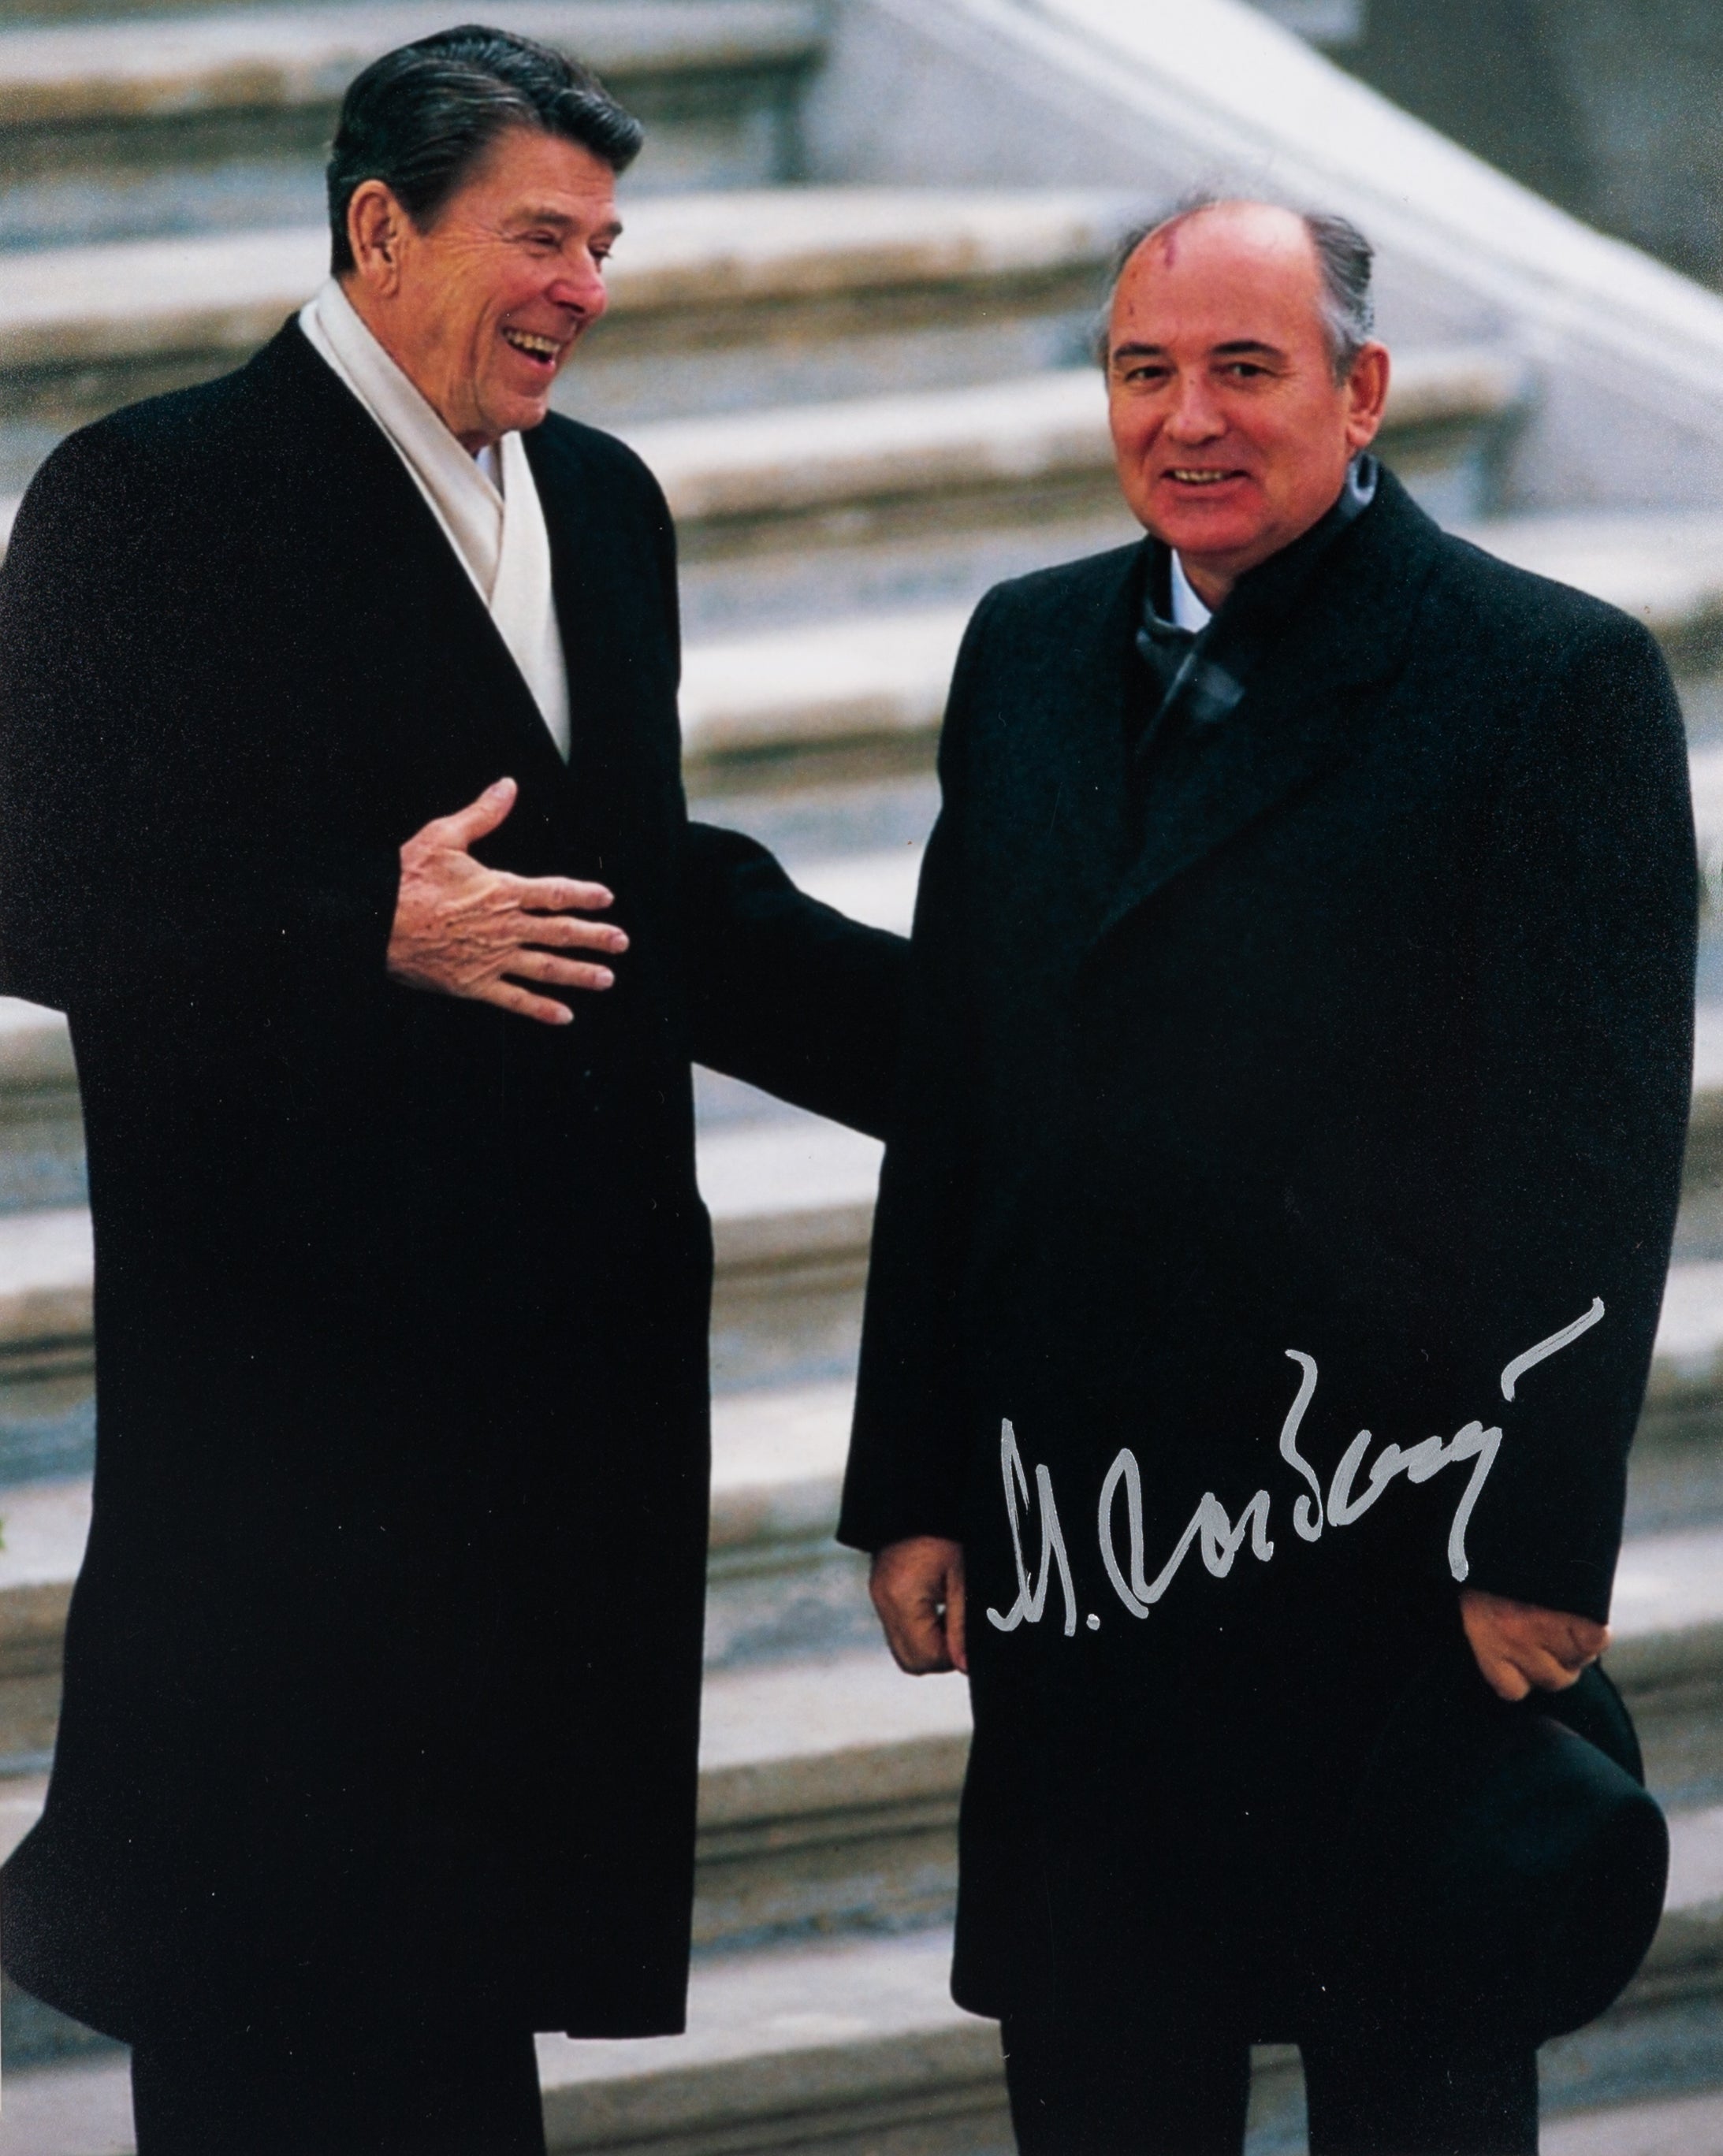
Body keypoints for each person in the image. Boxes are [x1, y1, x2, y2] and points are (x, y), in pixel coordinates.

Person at [0, 27, 904, 2153]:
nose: (583, 285)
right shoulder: (150, 492)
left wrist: (1006, 1055)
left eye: (603, 242)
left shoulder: (600, 499)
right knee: (274, 2020)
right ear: (376, 226)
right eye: (537, 236)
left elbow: (651, 890)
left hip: (552, 1414)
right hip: (291, 1426)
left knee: (455, 2023)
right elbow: (31, 886)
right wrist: (354, 928)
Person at [839, 199, 1695, 2154]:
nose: (1189, 420)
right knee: (1103, 2096)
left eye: (1246, 368)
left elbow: (1596, 1154)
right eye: (1147, 372)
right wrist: (914, 1484)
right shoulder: (1028, 647)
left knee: (1412, 2097)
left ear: (1360, 390)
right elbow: (957, 1092)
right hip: (1090, 1558)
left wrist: (1536, 1549)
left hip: (1381, 1565)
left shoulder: (1539, 680)